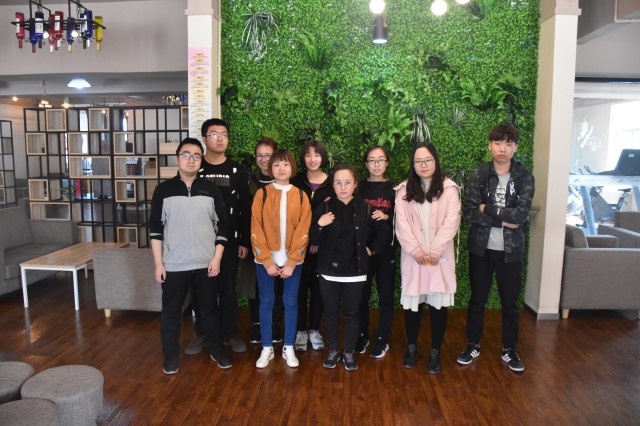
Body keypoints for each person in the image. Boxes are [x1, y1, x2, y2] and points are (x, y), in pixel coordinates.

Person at [456, 124, 535, 373]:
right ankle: (472, 344)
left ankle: (509, 349)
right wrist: (502, 220)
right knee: (477, 300)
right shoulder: (479, 175)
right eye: (498, 143)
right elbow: (470, 211)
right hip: (481, 248)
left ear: (515, 148)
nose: (503, 149)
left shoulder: (524, 178)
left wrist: (487, 208)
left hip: (510, 251)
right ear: (490, 145)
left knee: (510, 303)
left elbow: (519, 216)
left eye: (508, 144)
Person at [149, 138, 231, 374]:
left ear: (201, 161)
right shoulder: (163, 190)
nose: (191, 160)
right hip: (174, 264)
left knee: (209, 311)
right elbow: (155, 229)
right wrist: (158, 263)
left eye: (196, 156)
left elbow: (223, 224)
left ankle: (216, 350)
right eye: (186, 155)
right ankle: (170, 358)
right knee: (171, 313)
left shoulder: (210, 189)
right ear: (177, 159)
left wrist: (216, 258)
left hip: (206, 263)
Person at [311, 164, 391, 371]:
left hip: (355, 272)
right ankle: (333, 351)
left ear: (355, 184)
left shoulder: (367, 209)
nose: (343, 187)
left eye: (347, 182)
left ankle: (348, 353)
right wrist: (319, 224)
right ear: (333, 185)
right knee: (330, 313)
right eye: (338, 182)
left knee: (352, 314)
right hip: (329, 272)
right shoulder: (324, 208)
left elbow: (383, 232)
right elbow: (311, 238)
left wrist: (372, 249)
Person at [185, 118, 251, 355]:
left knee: (227, 289)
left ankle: (229, 333)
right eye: (214, 134)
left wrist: (244, 240)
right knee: (201, 291)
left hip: (230, 242)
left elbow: (245, 207)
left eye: (224, 134)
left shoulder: (237, 170)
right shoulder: (195, 168)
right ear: (204, 139)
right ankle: (203, 333)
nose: (220, 138)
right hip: (200, 242)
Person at [394, 142, 461, 374]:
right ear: (413, 165)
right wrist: (417, 251)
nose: (423, 165)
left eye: (428, 160)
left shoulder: (449, 189)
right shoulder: (403, 190)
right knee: (413, 304)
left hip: (438, 259)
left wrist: (434, 251)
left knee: (438, 305)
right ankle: (411, 347)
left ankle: (435, 350)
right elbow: (402, 225)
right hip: (414, 258)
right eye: (418, 161)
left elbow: (451, 222)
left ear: (435, 161)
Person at [251, 149, 312, 368]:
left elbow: (303, 230)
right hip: (265, 261)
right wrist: (267, 261)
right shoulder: (262, 194)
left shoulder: (301, 195)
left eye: (285, 164)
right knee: (266, 302)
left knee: (291, 302)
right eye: (276, 164)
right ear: (270, 168)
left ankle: (288, 347)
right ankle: (267, 348)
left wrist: (292, 262)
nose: (281, 168)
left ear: (292, 167)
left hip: (293, 262)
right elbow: (255, 228)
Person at [237, 137, 284, 345]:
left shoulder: (284, 180)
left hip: (280, 244)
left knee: (277, 286)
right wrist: (244, 241)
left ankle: (275, 325)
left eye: (268, 155)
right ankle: (257, 325)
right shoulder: (248, 182)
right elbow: (242, 213)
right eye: (260, 155)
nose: (264, 160)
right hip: (254, 242)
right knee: (254, 285)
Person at [291, 140, 335, 352]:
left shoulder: (333, 183)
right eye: (308, 155)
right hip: (297, 248)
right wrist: (306, 241)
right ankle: (300, 331)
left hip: (323, 248)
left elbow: (335, 215)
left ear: (323, 157)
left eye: (317, 155)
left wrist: (317, 240)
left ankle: (314, 330)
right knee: (298, 290)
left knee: (319, 291)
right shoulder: (295, 181)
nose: (312, 159)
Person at [355, 145, 397, 359]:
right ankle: (362, 335)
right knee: (361, 296)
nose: (376, 164)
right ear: (366, 164)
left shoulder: (395, 189)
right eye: (372, 160)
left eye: (380, 160)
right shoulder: (359, 187)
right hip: (363, 250)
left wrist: (388, 217)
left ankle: (382, 338)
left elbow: (405, 219)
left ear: (386, 163)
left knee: (385, 297)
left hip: (385, 251)